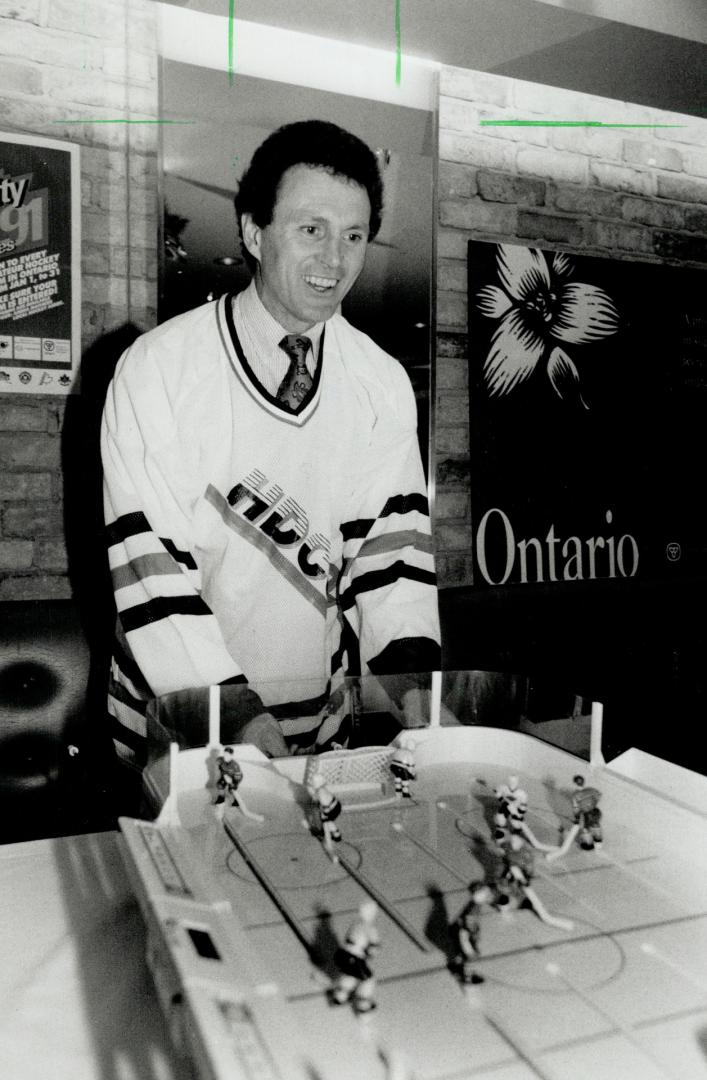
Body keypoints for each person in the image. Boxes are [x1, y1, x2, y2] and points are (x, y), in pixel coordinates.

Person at [101, 119, 440, 777]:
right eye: (310, 230)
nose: (334, 261)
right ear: (254, 232)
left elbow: (391, 559)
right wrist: (237, 717)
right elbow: (150, 570)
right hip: (183, 717)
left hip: (318, 723)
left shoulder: (379, 382)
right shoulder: (159, 368)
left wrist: (419, 701)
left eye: (353, 236)